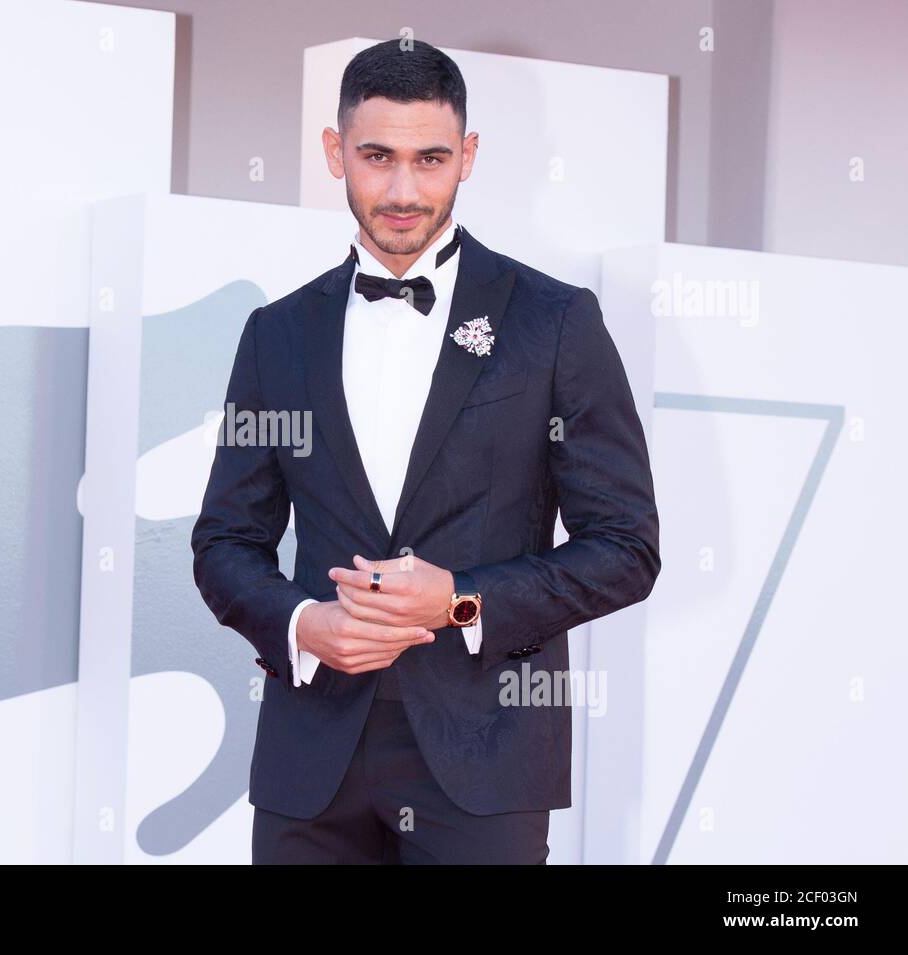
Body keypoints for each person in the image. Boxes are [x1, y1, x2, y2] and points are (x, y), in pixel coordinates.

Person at [191, 38, 660, 864]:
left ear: (468, 156)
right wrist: (304, 624)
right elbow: (224, 542)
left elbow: (627, 547)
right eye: (376, 157)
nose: (403, 191)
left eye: (430, 158)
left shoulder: (554, 323)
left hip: (487, 761)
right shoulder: (277, 335)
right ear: (335, 152)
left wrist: (463, 601)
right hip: (309, 765)